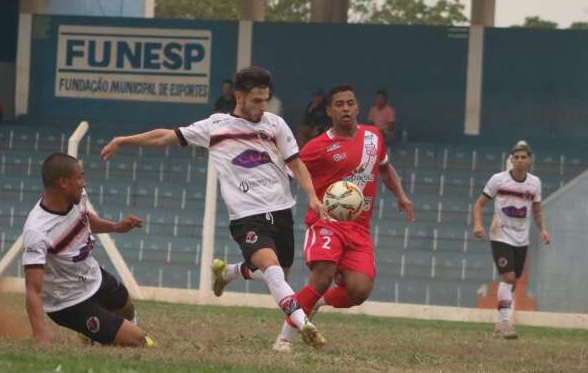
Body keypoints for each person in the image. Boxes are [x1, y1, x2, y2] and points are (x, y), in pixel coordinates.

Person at [101, 66, 327, 348]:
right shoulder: (216, 126)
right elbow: (164, 136)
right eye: (256, 100)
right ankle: (299, 328)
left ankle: (229, 273)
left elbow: (296, 163)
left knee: (278, 274)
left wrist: (313, 197)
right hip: (247, 217)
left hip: (281, 212)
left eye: (266, 99)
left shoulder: (275, 125)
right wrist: (124, 140)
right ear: (240, 96)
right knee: (272, 270)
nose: (262, 106)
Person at [273, 84, 415, 352]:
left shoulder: (373, 137)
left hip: (359, 229)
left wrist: (401, 195)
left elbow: (384, 168)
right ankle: (284, 339)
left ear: (358, 107)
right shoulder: (318, 147)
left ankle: (315, 302)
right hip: (326, 222)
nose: (346, 108)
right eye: (339, 104)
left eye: (350, 103)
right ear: (329, 110)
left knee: (359, 291)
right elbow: (292, 171)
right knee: (323, 275)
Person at [23, 153, 154, 346]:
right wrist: (40, 334)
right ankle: (96, 336)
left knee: (126, 305)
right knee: (141, 342)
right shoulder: (37, 230)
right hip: (68, 302)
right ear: (63, 182)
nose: (84, 183)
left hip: (93, 276)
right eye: (80, 178)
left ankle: (96, 335)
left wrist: (116, 227)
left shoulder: (78, 197)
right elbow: (33, 290)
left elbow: (85, 218)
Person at [473, 141, 551, 339]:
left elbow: (536, 209)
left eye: (523, 157)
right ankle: (507, 323)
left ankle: (499, 325)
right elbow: (480, 203)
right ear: (511, 160)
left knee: (513, 282)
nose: (519, 160)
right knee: (507, 278)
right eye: (516, 157)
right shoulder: (498, 180)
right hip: (500, 234)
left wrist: (542, 229)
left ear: (529, 160)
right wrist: (478, 224)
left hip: (521, 238)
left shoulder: (535, 183)